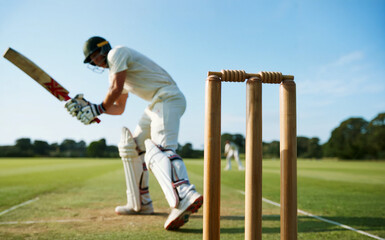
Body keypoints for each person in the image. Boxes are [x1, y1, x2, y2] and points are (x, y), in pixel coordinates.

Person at [64, 36, 203, 230]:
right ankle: (141, 204)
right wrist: (91, 107)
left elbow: (115, 89)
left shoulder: (116, 53)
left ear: (104, 49)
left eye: (95, 55)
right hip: (155, 104)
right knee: (132, 147)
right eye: (91, 60)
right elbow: (119, 107)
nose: (95, 61)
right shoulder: (115, 69)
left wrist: (98, 109)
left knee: (161, 149)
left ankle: (184, 194)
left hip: (167, 97)